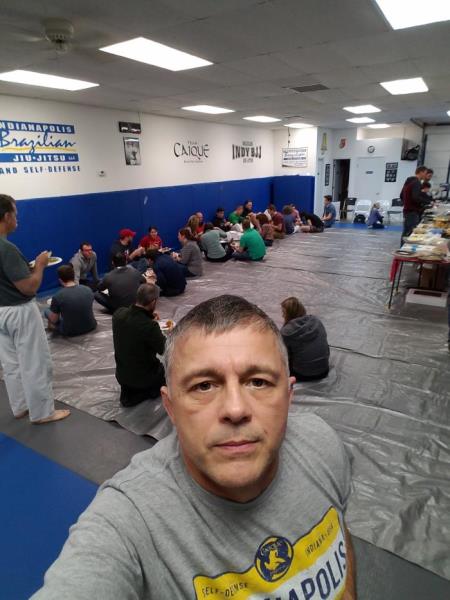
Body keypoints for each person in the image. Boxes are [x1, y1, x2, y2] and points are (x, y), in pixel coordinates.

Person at [33, 294, 355, 599]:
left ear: (288, 395)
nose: (235, 409)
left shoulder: (323, 445)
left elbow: (340, 529)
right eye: (204, 386)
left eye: (258, 382)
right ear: (170, 407)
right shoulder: (129, 521)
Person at [0, 194, 70, 424]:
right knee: (35, 362)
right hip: (19, 311)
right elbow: (29, 287)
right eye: (15, 214)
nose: (17, 219)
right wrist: (39, 266)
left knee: (11, 363)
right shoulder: (6, 248)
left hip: (1, 311)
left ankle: (20, 406)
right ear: (7, 216)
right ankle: (42, 412)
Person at [112, 283, 166, 407]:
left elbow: (133, 323)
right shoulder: (149, 327)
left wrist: (149, 317)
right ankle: (145, 392)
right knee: (169, 370)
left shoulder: (118, 314)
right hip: (144, 379)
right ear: (153, 302)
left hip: (122, 376)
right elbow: (164, 349)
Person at [280, 296, 330, 381]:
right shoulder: (316, 321)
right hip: (323, 370)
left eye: (283, 312)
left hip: (302, 374)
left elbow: (283, 355)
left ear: (289, 314)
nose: (282, 315)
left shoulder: (286, 332)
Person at [45, 264, 97, 336]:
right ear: (74, 276)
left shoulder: (58, 296)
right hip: (91, 326)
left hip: (70, 332)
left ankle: (52, 328)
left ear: (60, 280)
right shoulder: (88, 289)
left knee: (47, 311)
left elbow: (54, 320)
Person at [400, 166, 429, 242]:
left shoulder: (409, 182)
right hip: (412, 211)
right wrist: (427, 202)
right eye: (425, 173)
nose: (426, 175)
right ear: (421, 172)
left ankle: (403, 247)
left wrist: (406, 203)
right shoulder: (416, 182)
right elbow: (416, 197)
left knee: (406, 232)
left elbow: (401, 195)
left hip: (407, 210)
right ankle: (406, 248)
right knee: (410, 233)